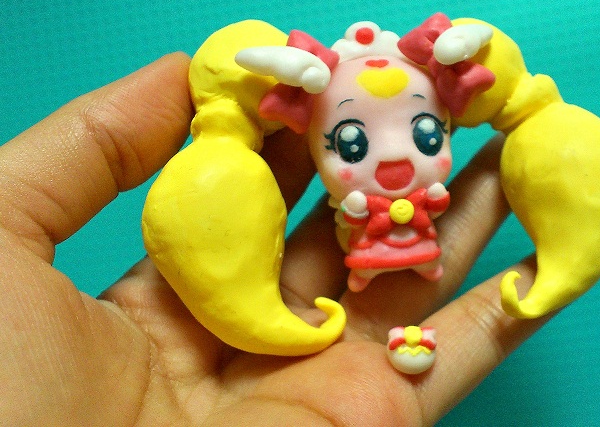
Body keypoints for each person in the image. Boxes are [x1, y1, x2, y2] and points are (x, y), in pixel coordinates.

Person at [0, 53, 549, 426]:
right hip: (365, 245)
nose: (394, 159)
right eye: (352, 143)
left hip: (413, 243)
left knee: (417, 258)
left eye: (426, 134)